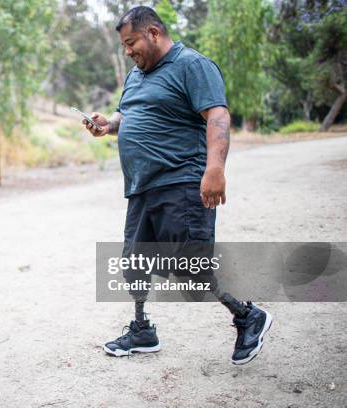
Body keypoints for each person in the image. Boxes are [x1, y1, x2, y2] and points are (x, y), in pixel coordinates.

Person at [82, 6, 272, 365]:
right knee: (133, 262)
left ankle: (247, 315)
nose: (128, 52)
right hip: (142, 186)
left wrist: (215, 168)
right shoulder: (137, 75)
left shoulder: (192, 65)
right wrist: (109, 124)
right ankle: (142, 330)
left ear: (153, 33)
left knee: (190, 264)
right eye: (123, 45)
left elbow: (217, 114)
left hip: (181, 181)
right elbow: (133, 113)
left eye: (131, 42)